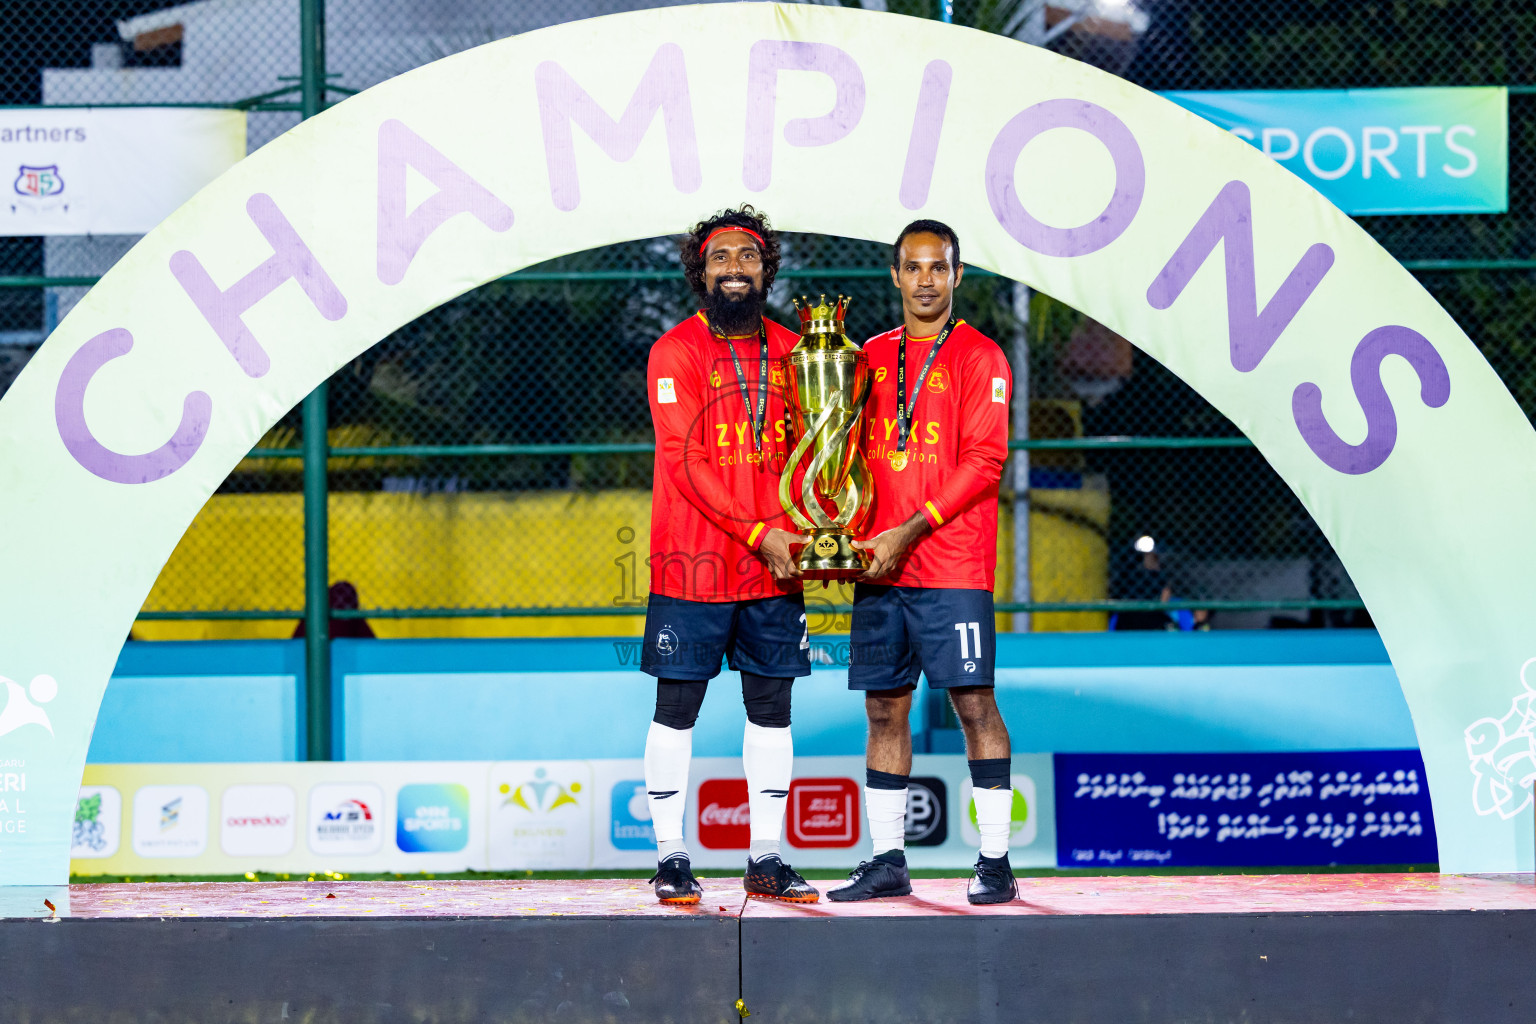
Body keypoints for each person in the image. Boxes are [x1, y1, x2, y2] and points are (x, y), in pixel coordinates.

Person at [828, 220, 1018, 905]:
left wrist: (910, 529)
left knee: (973, 704)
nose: (926, 280)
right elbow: (841, 454)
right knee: (884, 710)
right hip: (879, 565)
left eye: (939, 267)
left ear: (957, 275)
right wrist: (842, 528)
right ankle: (888, 861)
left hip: (950, 564)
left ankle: (994, 862)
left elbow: (984, 463)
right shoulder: (868, 356)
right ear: (896, 276)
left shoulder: (980, 358)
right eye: (913, 268)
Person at [641, 204, 819, 905]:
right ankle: (670, 857)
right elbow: (686, 462)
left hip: (776, 565)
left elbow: (817, 457)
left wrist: (814, 528)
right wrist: (761, 533)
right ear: (700, 271)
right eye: (721, 258)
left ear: (766, 268)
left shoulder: (802, 350)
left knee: (771, 707)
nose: (735, 268)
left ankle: (766, 859)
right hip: (695, 560)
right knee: (677, 704)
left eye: (748, 257)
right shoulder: (674, 351)